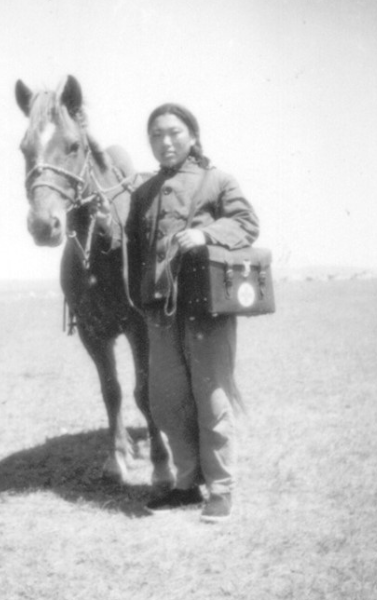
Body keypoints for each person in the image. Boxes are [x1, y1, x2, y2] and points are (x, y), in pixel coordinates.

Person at [117, 103, 260, 523]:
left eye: (175, 133)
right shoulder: (142, 194)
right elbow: (136, 253)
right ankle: (186, 483)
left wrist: (205, 233)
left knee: (211, 398)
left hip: (206, 309)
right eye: (157, 135)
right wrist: (141, 301)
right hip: (160, 313)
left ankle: (221, 489)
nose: (166, 142)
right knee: (167, 401)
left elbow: (247, 223)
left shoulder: (217, 180)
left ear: (193, 136)